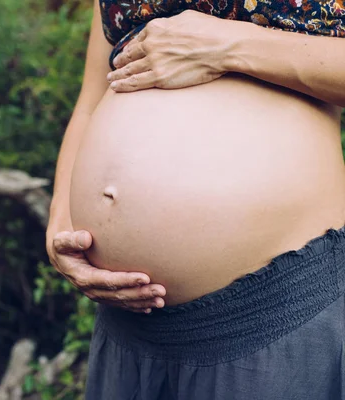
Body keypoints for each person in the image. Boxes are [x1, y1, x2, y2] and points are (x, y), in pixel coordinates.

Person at [46, 0, 345, 398]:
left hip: (270, 308)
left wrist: (228, 46)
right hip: (126, 321)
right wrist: (61, 222)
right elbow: (93, 96)